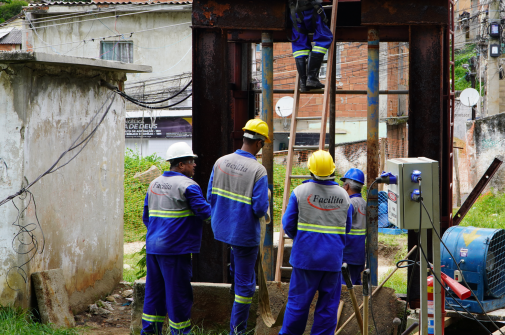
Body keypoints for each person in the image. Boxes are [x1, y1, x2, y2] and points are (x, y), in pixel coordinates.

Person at [207, 119, 270, 335]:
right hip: (244, 234)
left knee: (236, 273)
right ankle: (237, 331)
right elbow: (260, 208)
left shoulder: (220, 162)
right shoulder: (258, 171)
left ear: (244, 138)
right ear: (259, 143)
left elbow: (210, 196)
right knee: (245, 286)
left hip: (222, 229)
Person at [280, 150, 352, 335]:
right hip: (331, 261)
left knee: (298, 304)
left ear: (310, 170)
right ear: (332, 170)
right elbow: (347, 227)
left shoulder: (300, 192)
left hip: (305, 259)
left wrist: (302, 239)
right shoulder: (344, 196)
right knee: (328, 307)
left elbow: (288, 224)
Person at [142, 142, 211, 335]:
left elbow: (146, 217)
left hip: (154, 248)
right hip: (175, 250)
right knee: (178, 294)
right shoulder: (188, 185)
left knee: (154, 293)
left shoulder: (154, 183)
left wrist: (159, 233)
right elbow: (206, 214)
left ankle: (149, 331)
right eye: (191, 162)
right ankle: (181, 333)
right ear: (181, 165)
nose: (194, 165)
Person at [340, 168, 366, 285]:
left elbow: (342, 225)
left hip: (347, 255)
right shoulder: (365, 203)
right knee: (356, 286)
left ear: (346, 186)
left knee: (345, 288)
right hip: (359, 255)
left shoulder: (349, 203)